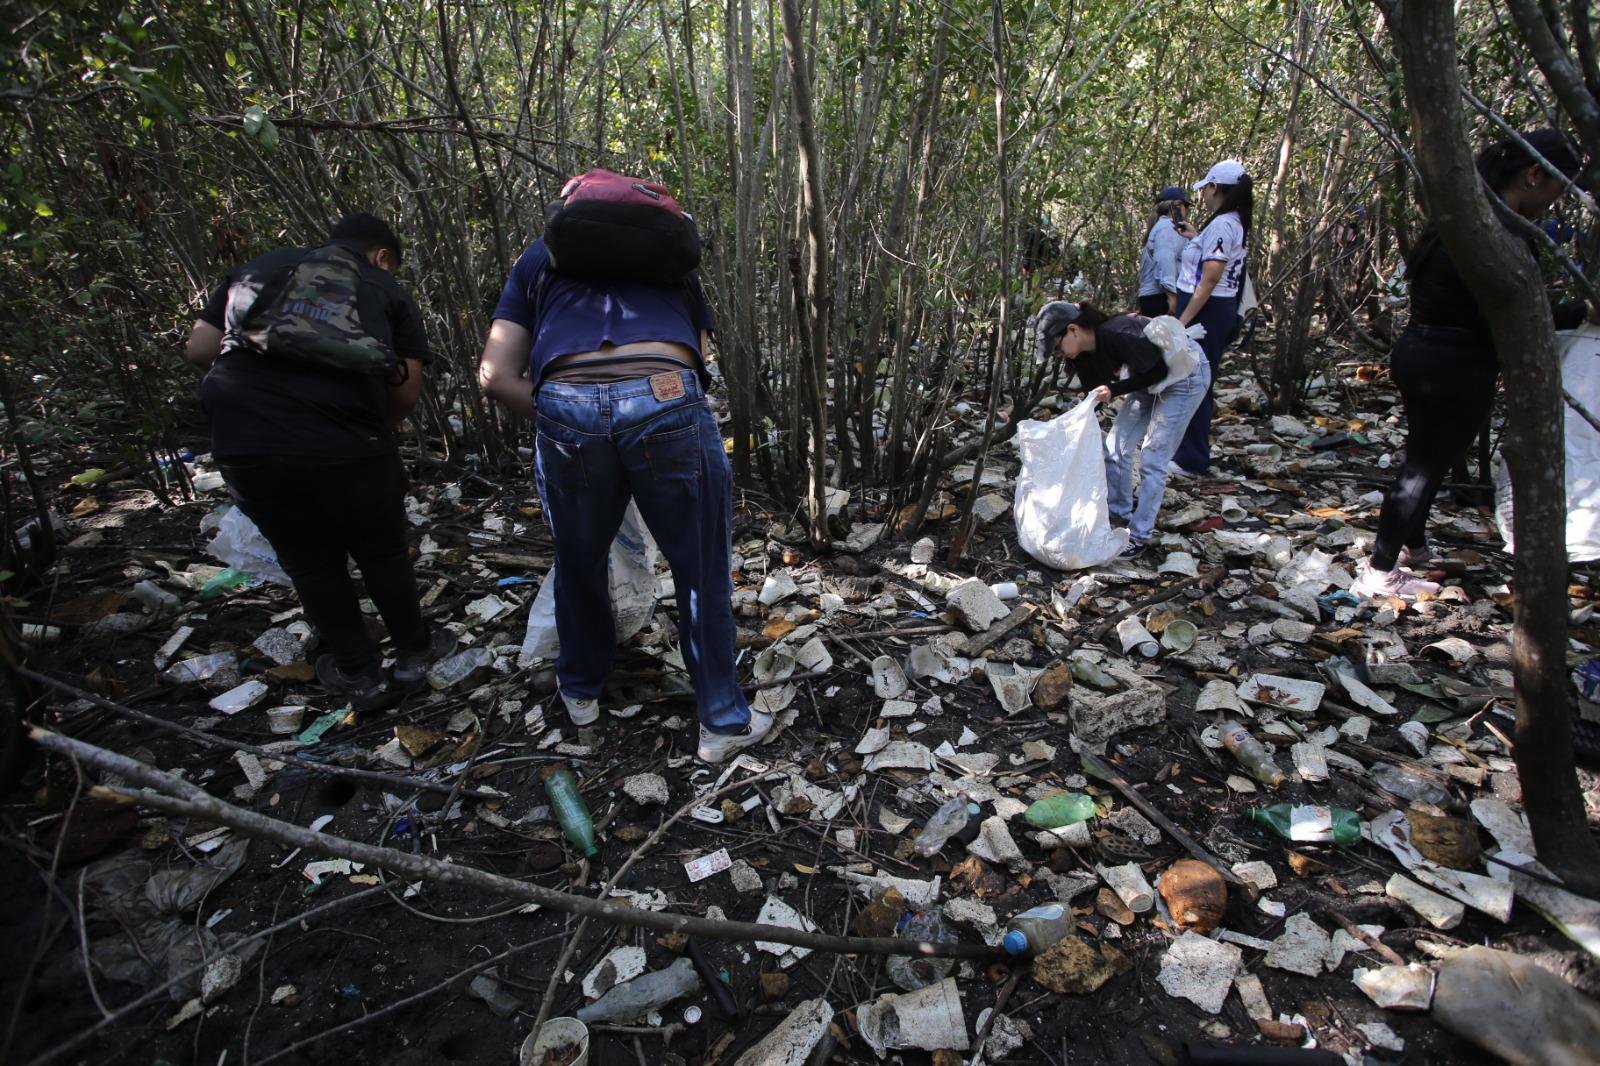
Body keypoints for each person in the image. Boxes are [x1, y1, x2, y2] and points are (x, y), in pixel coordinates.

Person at [478, 214, 767, 765]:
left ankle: (582, 694)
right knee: (700, 566)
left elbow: (493, 375)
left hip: (567, 397)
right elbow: (700, 357)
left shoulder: (538, 257)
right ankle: (723, 723)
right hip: (664, 395)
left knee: (579, 559)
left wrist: (568, 415)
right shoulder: (670, 256)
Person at [184, 213, 456, 709]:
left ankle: (360, 675)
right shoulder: (382, 287)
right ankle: (414, 655)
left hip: (248, 442)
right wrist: (373, 431)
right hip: (347, 442)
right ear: (382, 256)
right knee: (382, 553)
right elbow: (406, 388)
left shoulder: (256, 269)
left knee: (310, 563)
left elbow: (200, 348)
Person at [1352, 129, 1589, 599]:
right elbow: (1513, 309)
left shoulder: (1463, 219)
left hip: (1422, 351)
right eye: (1558, 187)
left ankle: (1410, 547)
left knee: (1427, 458)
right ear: (1534, 174)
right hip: (1454, 363)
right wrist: (1583, 312)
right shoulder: (1497, 231)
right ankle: (1379, 571)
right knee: (1422, 466)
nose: (1556, 201)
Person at [1033, 300, 1211, 557]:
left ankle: (1140, 535)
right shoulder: (1082, 355)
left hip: (1184, 374)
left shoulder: (1118, 333)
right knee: (1116, 447)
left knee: (1153, 456)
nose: (1059, 355)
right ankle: (1118, 514)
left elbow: (1159, 371)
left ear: (1073, 330)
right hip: (1147, 375)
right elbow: (1092, 399)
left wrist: (1115, 390)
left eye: (1058, 347)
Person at [1170, 160, 1253, 477]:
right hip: (1213, 307)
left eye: (1205, 188)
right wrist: (1195, 237)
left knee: (1194, 382)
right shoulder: (1230, 223)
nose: (1202, 195)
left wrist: (1183, 321)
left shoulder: (1222, 225)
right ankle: (1189, 452)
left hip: (1205, 308)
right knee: (1195, 379)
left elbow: (1210, 278)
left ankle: (1191, 458)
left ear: (1216, 188)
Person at [1137, 186, 1192, 318]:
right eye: (1185, 205)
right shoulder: (1167, 228)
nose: (1187, 210)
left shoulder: (1164, 227)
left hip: (1156, 297)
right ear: (1178, 206)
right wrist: (1172, 297)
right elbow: (1165, 260)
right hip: (1160, 298)